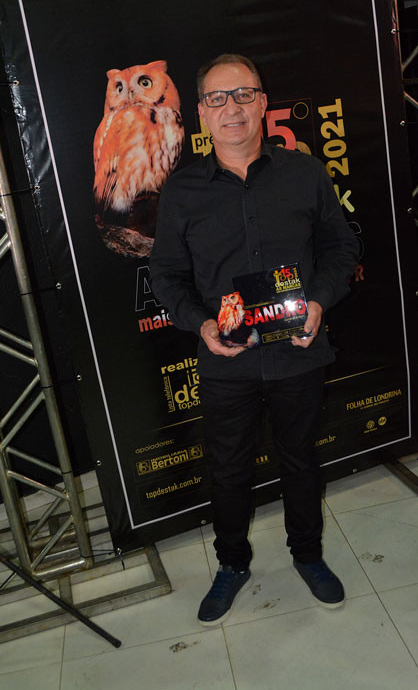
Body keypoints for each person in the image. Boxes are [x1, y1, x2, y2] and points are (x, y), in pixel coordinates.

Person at [150, 53, 359, 626]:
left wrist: (318, 302)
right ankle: (232, 564)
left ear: (263, 103)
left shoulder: (305, 173)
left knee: (301, 461)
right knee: (229, 471)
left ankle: (308, 554)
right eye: (217, 98)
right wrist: (202, 324)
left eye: (243, 94)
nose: (232, 108)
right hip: (226, 362)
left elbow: (341, 249)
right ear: (201, 113)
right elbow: (165, 276)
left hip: (298, 353)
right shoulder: (182, 191)